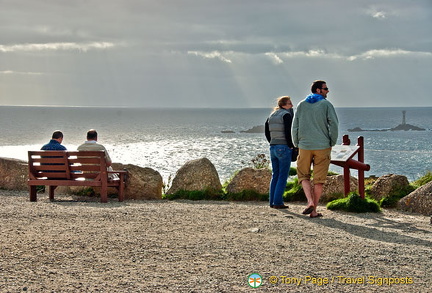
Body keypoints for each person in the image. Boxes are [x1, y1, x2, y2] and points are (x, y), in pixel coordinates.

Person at [292, 80, 339, 218]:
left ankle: (310, 201)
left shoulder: (301, 105)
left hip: (304, 146)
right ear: (318, 90)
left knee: (303, 176)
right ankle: (314, 211)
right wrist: (332, 141)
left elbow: (295, 126)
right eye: (325, 89)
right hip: (322, 146)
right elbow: (334, 124)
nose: (328, 91)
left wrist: (296, 143)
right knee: (319, 180)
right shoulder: (326, 104)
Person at [265, 96, 295, 209]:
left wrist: (272, 142)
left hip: (273, 147)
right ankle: (278, 202)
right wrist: (291, 146)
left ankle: (272, 201)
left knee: (275, 174)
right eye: (289, 103)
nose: (291, 105)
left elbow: (266, 131)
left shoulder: (271, 115)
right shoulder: (286, 115)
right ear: (283, 105)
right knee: (283, 175)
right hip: (284, 147)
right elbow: (288, 132)